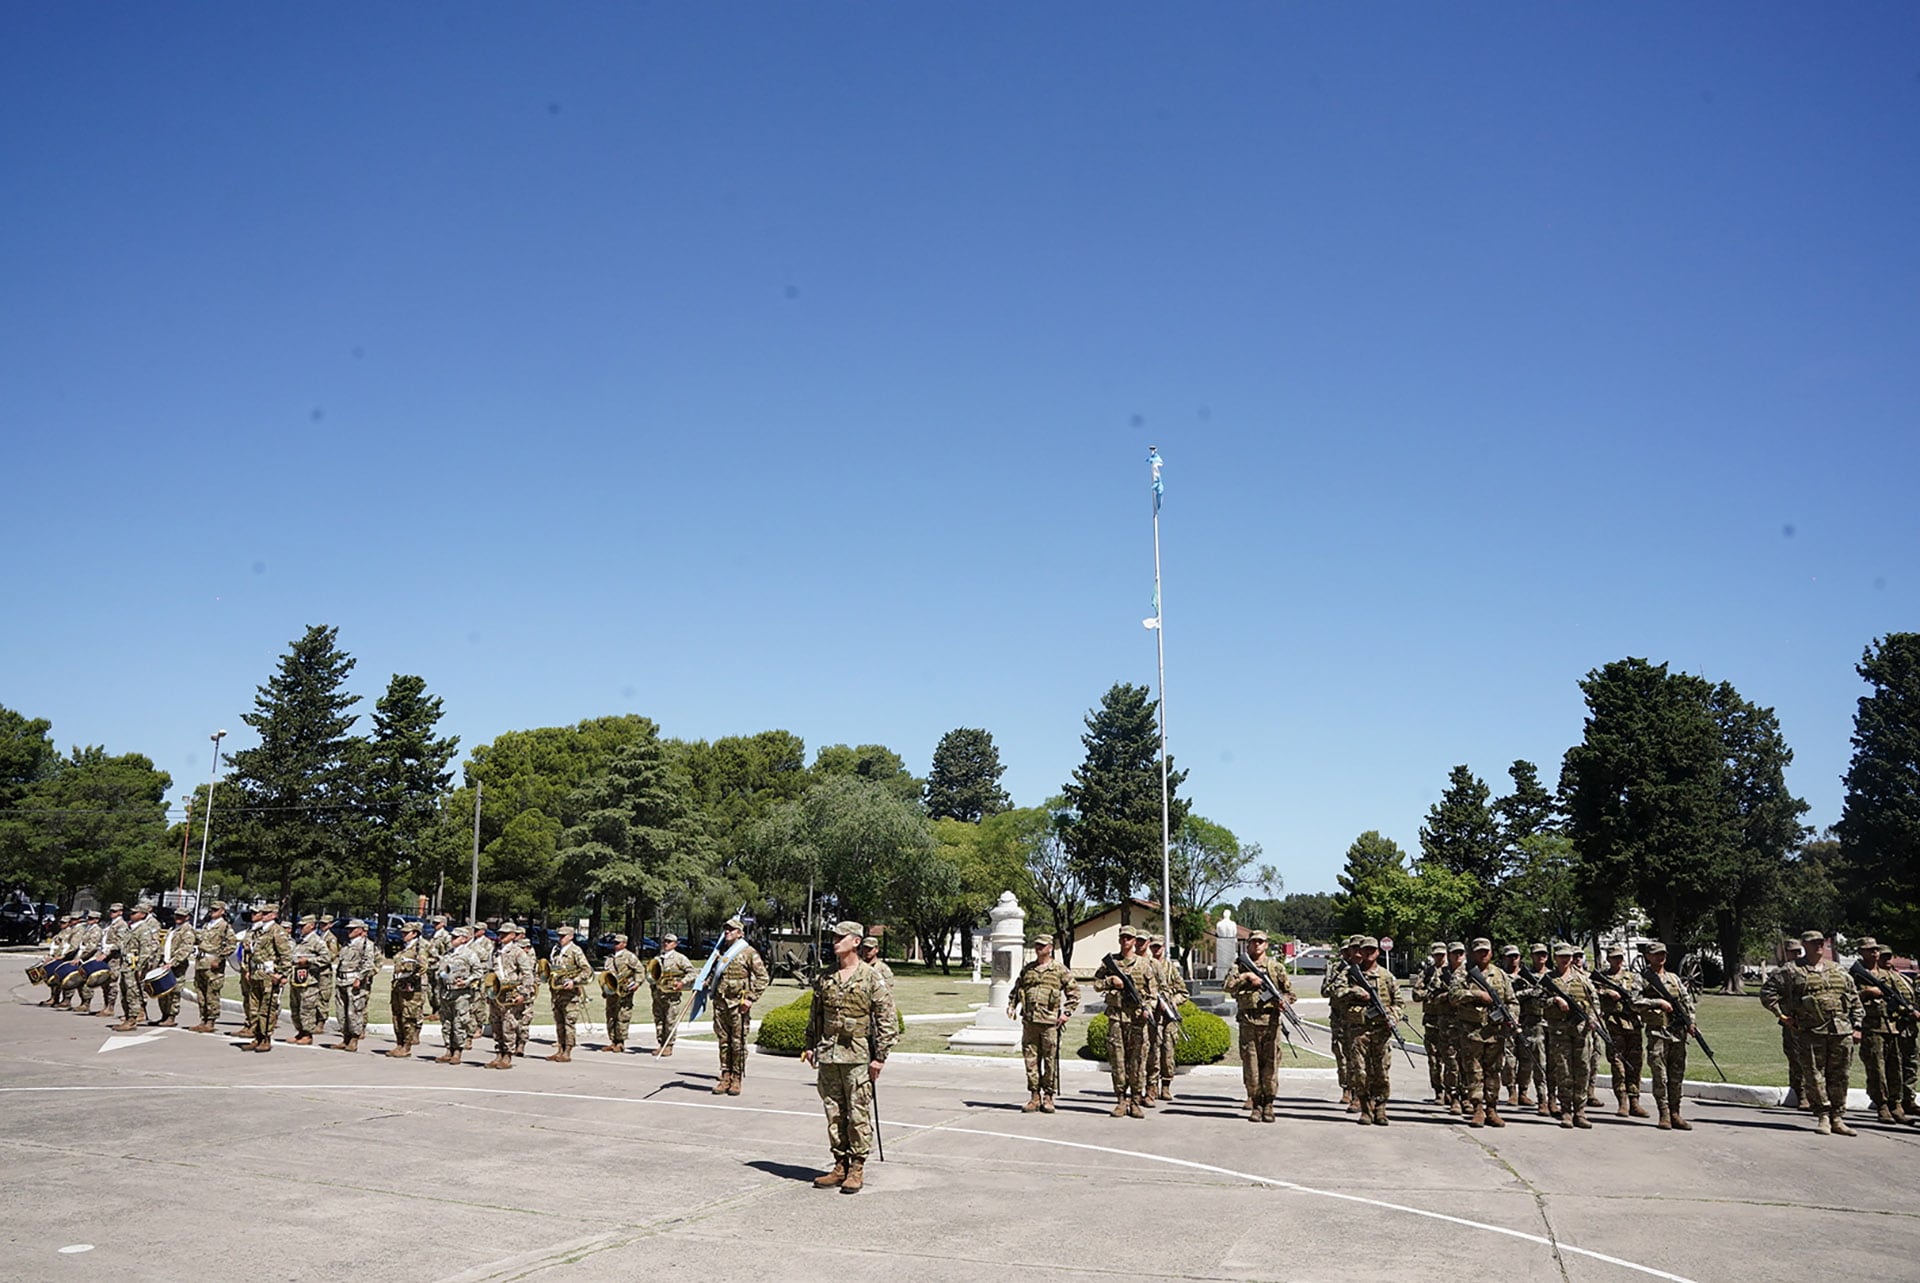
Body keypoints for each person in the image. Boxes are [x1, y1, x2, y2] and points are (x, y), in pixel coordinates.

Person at [803, 920, 898, 1195]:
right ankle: (839, 1165)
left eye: (840, 937)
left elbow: (886, 1018)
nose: (835, 942)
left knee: (857, 1114)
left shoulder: (871, 977)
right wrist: (810, 1045)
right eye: (834, 937)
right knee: (834, 1113)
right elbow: (816, 1014)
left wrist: (880, 1057)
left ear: (856, 941)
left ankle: (857, 1167)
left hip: (858, 1056)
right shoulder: (826, 976)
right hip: (829, 1054)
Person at [1777, 930, 1865, 1136]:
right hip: (1811, 1031)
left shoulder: (1838, 970)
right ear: (1804, 945)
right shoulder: (1791, 970)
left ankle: (1838, 1117)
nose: (1819, 945)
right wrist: (1783, 1016)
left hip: (1841, 1031)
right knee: (1814, 1075)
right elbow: (1768, 993)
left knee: (1840, 1075)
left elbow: (1853, 999)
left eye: (1821, 942)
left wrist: (1858, 1026)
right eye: (1813, 942)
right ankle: (1823, 1116)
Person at [1225, 928, 1291, 1123]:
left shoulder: (1275, 967)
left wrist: (1284, 1001)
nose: (1257, 945)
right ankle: (1256, 1105)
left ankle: (1269, 1104)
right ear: (1248, 945)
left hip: (1270, 1024)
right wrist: (1246, 977)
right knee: (1251, 1066)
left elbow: (1290, 993)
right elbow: (1227, 986)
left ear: (1266, 945)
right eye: (1253, 941)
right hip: (1248, 1023)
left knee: (1270, 1066)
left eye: (1260, 942)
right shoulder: (1239, 966)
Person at [1007, 933, 1079, 1113]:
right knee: (1030, 1061)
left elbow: (1074, 993)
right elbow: (1017, 989)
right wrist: (1012, 1005)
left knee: (1049, 1061)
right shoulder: (1028, 969)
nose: (1039, 948)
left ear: (1050, 948)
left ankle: (1048, 1096)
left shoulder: (1059, 970)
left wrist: (1066, 1013)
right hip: (1030, 1022)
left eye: (1042, 945)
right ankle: (1034, 1096)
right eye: (1037, 945)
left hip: (1049, 1023)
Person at [1449, 938, 1516, 1128]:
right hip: (1471, 1032)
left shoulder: (1500, 974)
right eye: (1479, 951)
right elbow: (1454, 996)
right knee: (1474, 1071)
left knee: (1493, 1072)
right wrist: (1477, 995)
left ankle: (1492, 1109)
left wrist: (1511, 1017)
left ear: (1492, 953)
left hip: (1495, 1033)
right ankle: (1478, 1108)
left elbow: (1512, 1001)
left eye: (1486, 951)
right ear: (1472, 953)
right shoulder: (1463, 973)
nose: (1483, 954)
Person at [1334, 936, 1401, 1125]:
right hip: (1358, 1031)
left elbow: (1399, 1002)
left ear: (1378, 952)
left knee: (1381, 1072)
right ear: (1360, 952)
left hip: (1381, 1032)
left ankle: (1380, 1108)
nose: (1369, 953)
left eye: (1373, 949)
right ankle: (1365, 1108)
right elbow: (1336, 994)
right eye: (1366, 949)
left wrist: (1393, 1016)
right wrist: (1354, 991)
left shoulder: (1387, 977)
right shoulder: (1349, 974)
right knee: (1360, 1072)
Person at [1094, 925, 1159, 1119]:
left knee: (1138, 1061)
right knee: (1118, 1061)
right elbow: (1096, 984)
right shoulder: (1111, 963)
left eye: (1129, 938)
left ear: (1134, 941)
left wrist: (1148, 1009)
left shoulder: (1144, 965)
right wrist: (1110, 981)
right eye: (1123, 938)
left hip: (1137, 1019)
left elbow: (1153, 993)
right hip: (1116, 1018)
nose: (1125, 941)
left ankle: (1136, 1101)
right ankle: (1121, 1100)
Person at [1634, 942, 1695, 1130]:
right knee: (1659, 1074)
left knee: (1676, 1075)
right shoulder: (1642, 978)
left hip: (1677, 1033)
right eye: (1656, 954)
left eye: (1663, 954)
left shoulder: (1674, 978)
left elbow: (1686, 1001)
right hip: (1657, 1032)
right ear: (1648, 956)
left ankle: (1676, 1112)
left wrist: (1691, 1022)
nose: (1660, 957)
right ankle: (1664, 1113)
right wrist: (1657, 1003)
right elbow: (1634, 1002)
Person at [707, 917, 769, 1095]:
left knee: (738, 1043)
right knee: (723, 1042)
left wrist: (750, 998)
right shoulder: (720, 952)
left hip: (738, 1005)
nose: (727, 932)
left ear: (740, 933)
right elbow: (714, 975)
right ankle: (725, 1076)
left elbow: (763, 977)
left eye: (732, 929)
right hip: (720, 1003)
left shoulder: (748, 952)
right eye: (726, 929)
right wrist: (704, 983)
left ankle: (736, 1078)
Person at [1543, 943, 1600, 1129]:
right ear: (1555, 958)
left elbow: (1594, 1000)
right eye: (1561, 956)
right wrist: (1555, 1000)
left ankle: (1580, 1111)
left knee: (1583, 1069)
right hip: (1559, 1032)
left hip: (1581, 1031)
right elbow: (1538, 1001)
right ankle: (1566, 1111)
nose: (1565, 959)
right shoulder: (1549, 979)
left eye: (1567, 956)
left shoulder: (1582, 978)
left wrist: (1593, 1019)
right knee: (1564, 1071)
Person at [1594, 944, 1648, 1119]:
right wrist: (1607, 992)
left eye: (1620, 957)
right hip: (1613, 1024)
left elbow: (1639, 996)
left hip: (1633, 1024)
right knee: (1618, 1064)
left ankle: (1634, 1101)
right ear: (1608, 959)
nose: (1618, 960)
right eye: (1614, 957)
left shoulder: (1633, 977)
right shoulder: (1602, 978)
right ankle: (1622, 1102)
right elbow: (1592, 992)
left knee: (1635, 1063)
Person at [1852, 939, 1903, 1123]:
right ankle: (1882, 1105)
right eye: (1869, 950)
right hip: (1871, 1028)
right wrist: (1866, 993)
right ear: (1861, 952)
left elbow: (1899, 996)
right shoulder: (1855, 975)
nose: (1874, 953)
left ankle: (1896, 1104)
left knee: (1895, 1068)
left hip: (1891, 1027)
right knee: (1876, 1070)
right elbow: (1848, 999)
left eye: (1876, 949)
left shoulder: (1887, 975)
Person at [1761, 938, 1812, 1109]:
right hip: (1792, 1022)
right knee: (1796, 1059)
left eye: (1799, 951)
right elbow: (1767, 994)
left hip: (1811, 1022)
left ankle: (1813, 1093)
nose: (1797, 955)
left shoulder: (1807, 969)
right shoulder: (1782, 972)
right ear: (1786, 953)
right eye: (1793, 952)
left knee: (1812, 1059)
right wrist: (1780, 1014)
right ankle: (1801, 1094)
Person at [485, 922, 538, 1069]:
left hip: (511, 993)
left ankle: (507, 1055)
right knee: (495, 1023)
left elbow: (527, 974)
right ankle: (498, 1053)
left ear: (513, 935)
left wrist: (523, 993)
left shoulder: (518, 952)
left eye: (505, 934)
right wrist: (488, 992)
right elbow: (490, 972)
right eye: (500, 933)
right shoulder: (495, 951)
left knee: (508, 1024)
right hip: (496, 992)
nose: (501, 936)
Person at [242, 903, 293, 1052]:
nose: (262, 916)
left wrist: (281, 974)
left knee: (267, 1009)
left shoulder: (277, 931)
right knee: (254, 1009)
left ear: (273, 915)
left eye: (266, 913)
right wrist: (249, 969)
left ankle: (266, 1038)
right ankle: (256, 1036)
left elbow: (286, 955)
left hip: (269, 975)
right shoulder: (258, 931)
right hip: (256, 973)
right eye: (262, 913)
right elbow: (252, 953)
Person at [1146, 934, 1188, 1102]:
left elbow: (1183, 992)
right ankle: (1152, 1087)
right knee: (1152, 1053)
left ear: (1164, 947)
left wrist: (1173, 1003)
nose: (1156, 949)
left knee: (1168, 1053)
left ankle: (1166, 1086)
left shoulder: (1171, 968)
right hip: (1153, 1017)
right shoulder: (1146, 965)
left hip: (1168, 1018)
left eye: (1159, 946)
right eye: (1153, 946)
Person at [542, 924, 592, 1062]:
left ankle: (567, 1051)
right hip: (556, 991)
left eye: (563, 936)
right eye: (559, 936)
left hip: (570, 994)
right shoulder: (556, 950)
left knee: (569, 1022)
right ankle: (560, 1049)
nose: (560, 938)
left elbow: (587, 970)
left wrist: (574, 981)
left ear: (571, 937)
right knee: (559, 1022)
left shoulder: (576, 951)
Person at [329, 919, 379, 1052]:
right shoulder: (347, 944)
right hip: (341, 980)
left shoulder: (366, 945)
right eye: (349, 929)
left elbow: (368, 964)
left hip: (354, 982)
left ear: (361, 930)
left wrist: (359, 978)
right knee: (341, 1012)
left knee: (354, 1011)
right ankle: (345, 1038)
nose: (349, 931)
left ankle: (354, 1039)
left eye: (353, 929)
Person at [433, 925, 480, 1064]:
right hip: (446, 993)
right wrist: (441, 976)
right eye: (452, 937)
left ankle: (458, 1051)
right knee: (446, 1023)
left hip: (461, 994)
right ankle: (448, 1049)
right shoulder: (448, 953)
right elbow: (440, 970)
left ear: (464, 939)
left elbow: (478, 973)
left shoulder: (469, 954)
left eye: (455, 937)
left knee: (459, 1022)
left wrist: (466, 982)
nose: (452, 939)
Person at [111, 901, 161, 1031]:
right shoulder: (131, 928)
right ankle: (128, 1017)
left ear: (143, 915)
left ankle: (132, 1019)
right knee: (124, 993)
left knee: (133, 993)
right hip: (126, 965)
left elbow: (146, 950)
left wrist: (140, 968)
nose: (131, 915)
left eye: (135, 913)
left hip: (134, 966)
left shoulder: (144, 929)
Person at [387, 919, 431, 1058]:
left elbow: (423, 966)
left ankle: (406, 1046)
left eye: (406, 933)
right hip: (398, 985)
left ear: (415, 933)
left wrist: (412, 979)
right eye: (403, 932)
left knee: (409, 1017)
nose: (403, 935)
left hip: (410, 988)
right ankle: (399, 1044)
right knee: (397, 1015)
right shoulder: (405, 947)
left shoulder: (419, 948)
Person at [1514, 943, 1550, 1112]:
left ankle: (1552, 1098)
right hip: (1533, 1024)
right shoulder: (1523, 977)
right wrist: (1530, 992)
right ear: (1532, 956)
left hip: (1552, 1022)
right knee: (1536, 1062)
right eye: (1537, 954)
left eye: (1543, 954)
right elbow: (1513, 996)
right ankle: (1541, 1098)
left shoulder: (1552, 976)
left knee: (1553, 1063)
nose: (1541, 957)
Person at [190, 902, 236, 1032]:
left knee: (212, 993)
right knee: (201, 993)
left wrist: (219, 959)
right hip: (201, 963)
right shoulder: (207, 925)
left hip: (213, 964)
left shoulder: (224, 926)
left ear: (222, 911)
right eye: (212, 909)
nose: (212, 912)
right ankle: (203, 1019)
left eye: (216, 910)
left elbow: (231, 945)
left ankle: (211, 1021)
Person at [1413, 942, 1449, 1104]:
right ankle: (1439, 1091)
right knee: (1434, 1059)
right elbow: (1416, 994)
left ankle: (1452, 1091)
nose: (1439, 957)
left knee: (1451, 1058)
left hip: (1450, 1021)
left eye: (1442, 954)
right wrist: (1430, 993)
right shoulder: (1427, 973)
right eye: (1436, 955)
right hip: (1431, 1021)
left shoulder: (1452, 972)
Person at [1323, 938, 1356, 1111]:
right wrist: (1339, 985)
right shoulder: (1336, 969)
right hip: (1338, 1017)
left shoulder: (1361, 967)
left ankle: (1358, 1091)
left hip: (1356, 1018)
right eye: (1344, 951)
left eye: (1349, 950)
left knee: (1356, 1055)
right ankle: (1346, 1088)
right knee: (1341, 1054)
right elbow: (1325, 991)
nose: (1347, 954)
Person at [649, 933, 694, 1057]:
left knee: (670, 1020)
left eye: (669, 942)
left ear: (675, 944)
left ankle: (668, 1045)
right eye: (665, 941)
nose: (666, 944)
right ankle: (661, 1044)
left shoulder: (680, 958)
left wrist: (682, 982)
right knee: (659, 1020)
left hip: (671, 996)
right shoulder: (658, 958)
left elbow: (692, 973)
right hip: (658, 994)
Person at [290, 915, 331, 1045]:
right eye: (300, 926)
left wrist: (308, 961)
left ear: (311, 926)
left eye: (303, 926)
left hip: (309, 980)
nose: (300, 928)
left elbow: (326, 958)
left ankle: (307, 1034)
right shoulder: (300, 940)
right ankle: (300, 1032)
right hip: (297, 979)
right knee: (295, 1007)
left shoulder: (317, 941)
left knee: (307, 1008)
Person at [599, 933, 643, 1053]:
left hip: (624, 991)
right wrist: (604, 989)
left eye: (618, 943)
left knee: (622, 1016)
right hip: (612, 991)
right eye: (614, 942)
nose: (615, 945)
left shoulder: (629, 956)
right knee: (610, 1016)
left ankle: (620, 1042)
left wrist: (637, 983)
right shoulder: (610, 957)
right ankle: (613, 1041)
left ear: (624, 944)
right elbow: (606, 975)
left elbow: (640, 970)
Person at [155, 908, 196, 1027]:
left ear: (187, 917)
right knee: (164, 991)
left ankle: (171, 1017)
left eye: (181, 916)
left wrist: (173, 963)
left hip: (177, 967)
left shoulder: (187, 931)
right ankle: (164, 1015)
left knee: (174, 992)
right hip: (165, 964)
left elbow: (185, 949)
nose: (178, 918)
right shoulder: (172, 929)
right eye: (177, 915)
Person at [97, 902, 129, 1021]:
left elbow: (120, 943)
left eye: (114, 911)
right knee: (104, 982)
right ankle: (106, 1005)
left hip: (114, 957)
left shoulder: (121, 925)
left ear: (120, 912)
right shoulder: (110, 924)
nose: (111, 913)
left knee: (112, 982)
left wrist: (107, 953)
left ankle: (110, 1007)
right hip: (105, 956)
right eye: (111, 911)